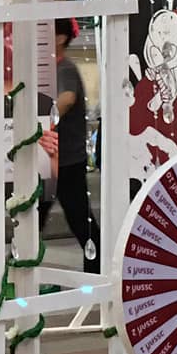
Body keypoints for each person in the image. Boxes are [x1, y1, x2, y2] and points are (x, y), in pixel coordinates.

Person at [52, 18, 100, 272]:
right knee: (32, 217)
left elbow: (68, 98)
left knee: (81, 220)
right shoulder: (50, 69)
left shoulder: (65, 69)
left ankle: (97, 271)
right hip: (51, 159)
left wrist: (42, 123)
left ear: (60, 38)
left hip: (68, 160)